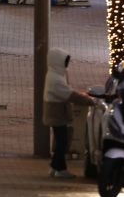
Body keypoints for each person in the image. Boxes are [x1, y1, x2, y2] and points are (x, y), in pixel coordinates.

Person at [43, 48, 95, 178]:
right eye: (65, 61)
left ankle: (56, 167)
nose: (66, 64)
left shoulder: (55, 74)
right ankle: (60, 169)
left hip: (56, 112)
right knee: (62, 141)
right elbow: (68, 94)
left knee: (61, 141)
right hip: (57, 113)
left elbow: (67, 92)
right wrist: (90, 101)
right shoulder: (56, 78)